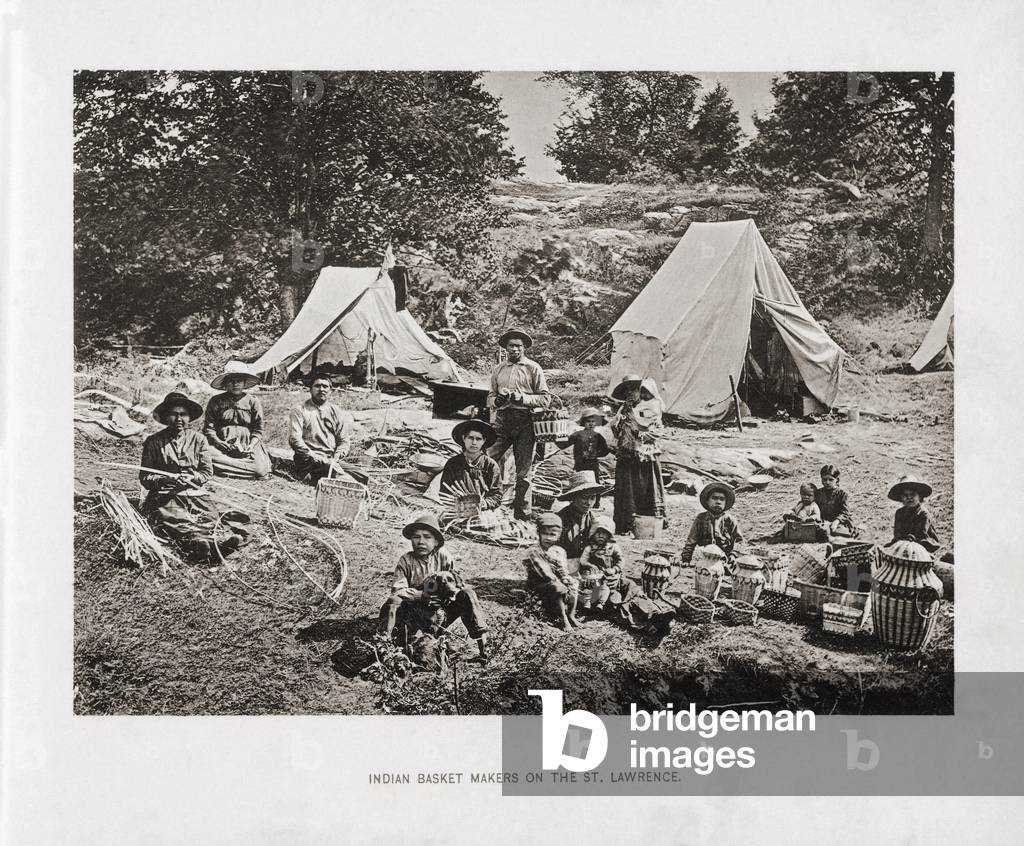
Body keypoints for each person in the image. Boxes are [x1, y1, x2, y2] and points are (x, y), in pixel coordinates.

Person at [139, 392, 250, 561]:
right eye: (173, 414)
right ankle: (197, 544)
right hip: (165, 495)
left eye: (183, 414)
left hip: (195, 493)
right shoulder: (153, 441)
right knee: (176, 519)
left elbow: (206, 472)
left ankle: (218, 544)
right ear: (165, 417)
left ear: (189, 417)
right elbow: (145, 477)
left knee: (209, 518)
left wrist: (193, 478)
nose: (179, 419)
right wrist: (166, 479)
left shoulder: (199, 440)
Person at [378, 513, 489, 661]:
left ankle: (483, 646)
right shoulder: (406, 560)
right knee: (394, 602)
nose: (421, 542)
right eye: (416, 537)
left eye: (427, 537)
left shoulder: (444, 557)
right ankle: (385, 644)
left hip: (439, 611)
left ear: (436, 542)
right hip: (415, 614)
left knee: (467, 594)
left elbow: (456, 584)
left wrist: (447, 592)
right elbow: (398, 591)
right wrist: (421, 596)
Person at [487, 329, 551, 520]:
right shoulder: (499, 369)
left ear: (524, 348)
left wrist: (521, 398)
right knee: (487, 460)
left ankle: (523, 514)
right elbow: (490, 397)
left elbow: (545, 399)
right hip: (502, 421)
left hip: (525, 422)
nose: (515, 349)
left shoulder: (533, 368)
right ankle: (487, 504)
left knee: (523, 472)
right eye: (511, 346)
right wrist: (497, 400)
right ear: (505, 348)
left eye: (518, 346)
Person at [610, 375, 666, 536]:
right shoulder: (623, 409)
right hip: (627, 454)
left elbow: (656, 429)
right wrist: (618, 424)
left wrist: (639, 433)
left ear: (639, 391)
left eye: (633, 390)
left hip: (645, 454)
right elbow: (616, 430)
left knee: (646, 487)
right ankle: (626, 523)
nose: (630, 393)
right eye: (627, 391)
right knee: (626, 488)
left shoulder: (649, 407)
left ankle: (648, 522)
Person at [203, 367, 272, 480]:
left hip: (247, 443)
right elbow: (209, 428)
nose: (235, 384)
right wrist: (218, 442)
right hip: (222, 443)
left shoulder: (253, 401)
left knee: (260, 470)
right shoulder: (215, 400)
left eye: (239, 381)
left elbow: (258, 429)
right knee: (205, 455)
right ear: (225, 384)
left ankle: (225, 468)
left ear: (244, 383)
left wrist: (251, 445)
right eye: (231, 381)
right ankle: (241, 468)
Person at [288, 376, 356, 484]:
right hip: (308, 460)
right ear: (310, 389)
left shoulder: (336, 411)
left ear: (330, 390)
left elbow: (344, 440)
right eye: (317, 386)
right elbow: (295, 440)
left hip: (331, 459)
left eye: (325, 386)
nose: (321, 389)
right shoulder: (300, 410)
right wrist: (316, 457)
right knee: (344, 479)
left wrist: (338, 455)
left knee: (362, 475)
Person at [523, 512, 581, 630]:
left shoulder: (559, 551)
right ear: (538, 533)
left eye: (553, 534)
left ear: (559, 536)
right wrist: (561, 582)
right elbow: (544, 572)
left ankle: (571, 615)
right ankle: (563, 618)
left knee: (574, 583)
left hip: (558, 582)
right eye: (545, 534)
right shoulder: (534, 551)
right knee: (557, 587)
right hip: (539, 584)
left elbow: (563, 569)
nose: (548, 538)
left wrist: (567, 578)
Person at [439, 420, 503, 511]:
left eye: (478, 439)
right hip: (457, 510)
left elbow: (497, 495)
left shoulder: (491, 465)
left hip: (484, 511)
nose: (474, 442)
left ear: (484, 441)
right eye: (470, 438)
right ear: (464, 438)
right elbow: (444, 491)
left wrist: (485, 504)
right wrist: (458, 502)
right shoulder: (453, 463)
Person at [680, 482, 744, 566]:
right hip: (707, 556)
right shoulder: (701, 518)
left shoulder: (730, 520)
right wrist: (686, 558)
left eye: (722, 499)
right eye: (714, 498)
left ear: (726, 502)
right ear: (707, 501)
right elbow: (691, 540)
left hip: (726, 558)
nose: (718, 502)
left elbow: (739, 540)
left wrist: (733, 555)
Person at [577, 514, 622, 613]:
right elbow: (583, 560)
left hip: (606, 574)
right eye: (598, 533)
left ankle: (601, 603)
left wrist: (614, 569)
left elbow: (620, 560)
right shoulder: (590, 548)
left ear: (609, 535)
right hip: (592, 573)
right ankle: (587, 602)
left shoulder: (613, 548)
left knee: (605, 587)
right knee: (588, 585)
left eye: (604, 533)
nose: (601, 536)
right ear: (593, 534)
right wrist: (590, 565)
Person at [555, 470, 605, 561]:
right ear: (574, 497)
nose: (589, 503)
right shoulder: (560, 519)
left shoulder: (594, 520)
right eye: (584, 497)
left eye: (592, 498)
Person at [567, 407, 610, 506]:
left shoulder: (598, 436)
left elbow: (605, 451)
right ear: (584, 423)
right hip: (580, 464)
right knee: (580, 482)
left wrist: (595, 454)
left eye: (593, 421)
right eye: (588, 421)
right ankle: (578, 503)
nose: (591, 424)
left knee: (594, 483)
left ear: (596, 423)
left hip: (593, 464)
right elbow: (564, 444)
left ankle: (595, 503)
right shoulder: (577, 435)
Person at [888, 475, 941, 553]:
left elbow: (921, 534)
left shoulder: (923, 513)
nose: (909, 497)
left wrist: (909, 540)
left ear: (920, 497)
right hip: (904, 542)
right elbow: (897, 534)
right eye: (905, 495)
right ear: (901, 498)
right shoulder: (899, 513)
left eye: (912, 494)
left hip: (923, 543)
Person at [814, 464, 857, 537]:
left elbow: (845, 512)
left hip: (839, 522)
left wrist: (836, 522)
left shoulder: (842, 494)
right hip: (823, 522)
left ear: (837, 480)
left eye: (831, 480)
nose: (827, 482)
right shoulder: (818, 493)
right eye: (824, 479)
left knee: (839, 532)